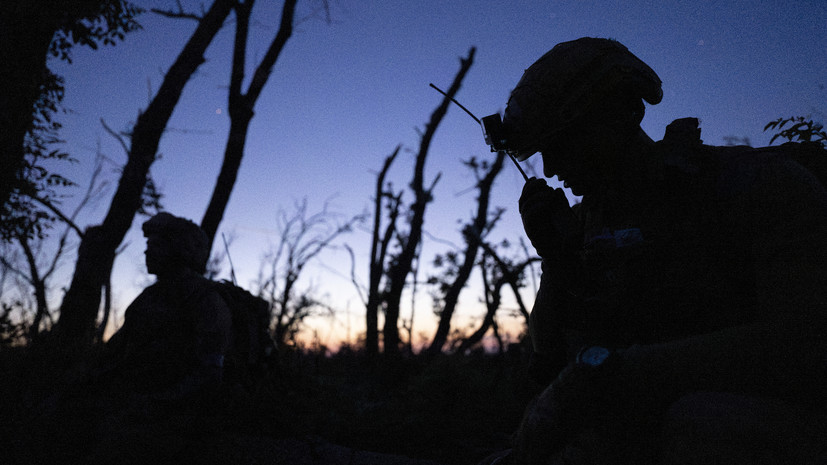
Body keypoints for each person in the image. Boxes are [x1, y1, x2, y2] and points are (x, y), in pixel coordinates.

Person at [493, 37, 827, 464]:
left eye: (564, 144)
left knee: (699, 422)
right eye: (542, 153)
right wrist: (556, 263)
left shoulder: (757, 185)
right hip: (636, 433)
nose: (552, 169)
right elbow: (547, 366)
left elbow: (802, 345)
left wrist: (611, 374)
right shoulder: (583, 227)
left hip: (758, 430)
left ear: (625, 114)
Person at [99, 212, 233, 408]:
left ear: (179, 250)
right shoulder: (149, 298)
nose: (147, 252)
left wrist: (152, 404)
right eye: (148, 246)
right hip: (135, 402)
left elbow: (209, 374)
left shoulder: (205, 299)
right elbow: (114, 355)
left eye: (156, 246)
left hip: (175, 416)